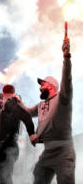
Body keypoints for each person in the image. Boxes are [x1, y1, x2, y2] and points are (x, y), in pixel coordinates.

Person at [25, 39, 75, 184]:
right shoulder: (40, 105)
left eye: (42, 84)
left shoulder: (62, 98)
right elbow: (26, 112)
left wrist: (66, 57)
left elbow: (67, 79)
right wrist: (11, 102)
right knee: (38, 175)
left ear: (51, 85)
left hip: (64, 152)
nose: (40, 87)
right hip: (47, 152)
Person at [0, 84, 37, 184]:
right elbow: (0, 103)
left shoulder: (11, 103)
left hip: (7, 147)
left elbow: (26, 116)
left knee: (3, 178)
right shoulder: (7, 105)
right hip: (0, 148)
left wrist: (31, 134)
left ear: (4, 94)